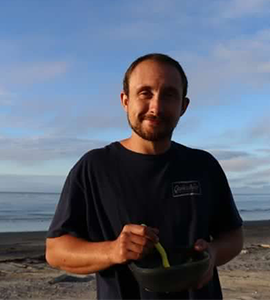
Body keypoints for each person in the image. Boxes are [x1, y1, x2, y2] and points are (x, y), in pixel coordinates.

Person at [46, 53, 244, 299]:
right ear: (125, 100)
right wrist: (113, 250)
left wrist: (213, 253)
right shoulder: (94, 168)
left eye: (169, 95)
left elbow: (234, 236)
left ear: (183, 106)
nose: (156, 107)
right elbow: (56, 251)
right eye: (145, 93)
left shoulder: (203, 165)